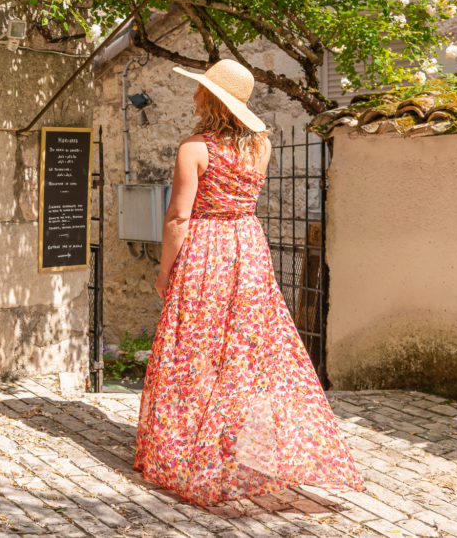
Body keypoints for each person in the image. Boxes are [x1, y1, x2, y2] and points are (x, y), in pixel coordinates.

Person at [133, 59, 364, 506]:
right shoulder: (262, 145)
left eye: (200, 90)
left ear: (211, 99)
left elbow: (179, 217)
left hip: (206, 251)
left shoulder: (194, 148)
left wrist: (164, 272)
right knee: (243, 353)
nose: (195, 96)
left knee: (195, 349)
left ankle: (184, 451)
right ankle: (230, 447)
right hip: (248, 248)